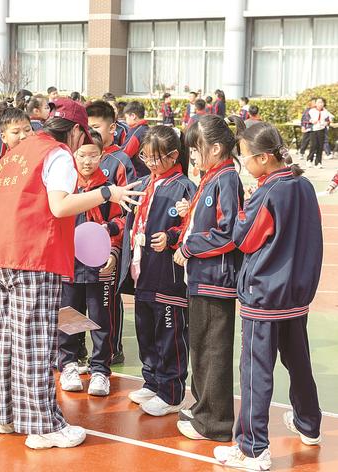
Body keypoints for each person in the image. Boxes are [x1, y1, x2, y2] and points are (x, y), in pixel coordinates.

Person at [0, 97, 143, 450]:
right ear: (75, 130)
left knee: (7, 341)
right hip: (31, 254)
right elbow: (60, 205)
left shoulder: (17, 151)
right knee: (34, 343)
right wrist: (106, 192)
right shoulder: (57, 153)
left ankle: (7, 415)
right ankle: (43, 425)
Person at [214, 123, 322, 471]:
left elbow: (244, 238)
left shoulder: (268, 192)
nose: (244, 163)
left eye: (245, 157)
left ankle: (252, 447)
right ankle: (309, 423)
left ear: (263, 157)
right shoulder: (303, 185)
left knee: (254, 371)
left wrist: (246, 204)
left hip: (264, 294)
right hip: (296, 293)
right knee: (298, 360)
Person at [173, 115, 245, 442]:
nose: (192, 156)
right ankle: (203, 408)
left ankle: (214, 422)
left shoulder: (226, 178)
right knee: (201, 347)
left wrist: (189, 247)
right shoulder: (213, 176)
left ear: (215, 149)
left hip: (216, 280)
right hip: (203, 277)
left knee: (213, 350)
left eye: (196, 149)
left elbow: (229, 233)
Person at [119, 125, 196, 416]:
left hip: (168, 276)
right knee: (146, 331)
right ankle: (152, 381)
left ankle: (172, 392)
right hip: (143, 271)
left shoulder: (185, 187)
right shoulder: (143, 184)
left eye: (156, 157)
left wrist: (172, 236)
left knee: (169, 335)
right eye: (146, 157)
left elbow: (192, 225)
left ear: (174, 155)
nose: (150, 163)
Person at [57, 128, 125, 396]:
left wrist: (112, 249)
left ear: (102, 155)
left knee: (100, 319)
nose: (87, 161)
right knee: (69, 316)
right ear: (73, 155)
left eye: (93, 156)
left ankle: (100, 370)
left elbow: (121, 220)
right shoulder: (65, 187)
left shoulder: (109, 190)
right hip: (68, 263)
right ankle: (69, 364)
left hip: (100, 265)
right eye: (82, 155)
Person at [87, 100, 136, 365]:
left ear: (113, 128)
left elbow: (128, 209)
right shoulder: (79, 156)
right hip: (81, 245)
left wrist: (115, 245)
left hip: (109, 244)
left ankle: (112, 349)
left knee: (107, 300)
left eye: (96, 127)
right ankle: (78, 350)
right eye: (86, 127)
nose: (90, 132)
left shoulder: (120, 161)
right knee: (80, 299)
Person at [121, 101, 151, 177]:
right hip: (148, 171)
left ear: (133, 116)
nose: (125, 120)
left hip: (138, 174)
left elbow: (124, 155)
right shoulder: (147, 129)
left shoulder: (136, 132)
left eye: (126, 117)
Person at [308, 97, 332, 169]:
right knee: (313, 145)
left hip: (321, 129)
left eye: (322, 102)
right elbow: (307, 119)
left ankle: (318, 162)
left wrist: (326, 122)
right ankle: (309, 160)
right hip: (313, 130)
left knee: (320, 146)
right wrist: (312, 121)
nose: (320, 104)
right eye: (319, 102)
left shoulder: (325, 112)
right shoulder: (311, 111)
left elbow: (329, 120)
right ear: (315, 104)